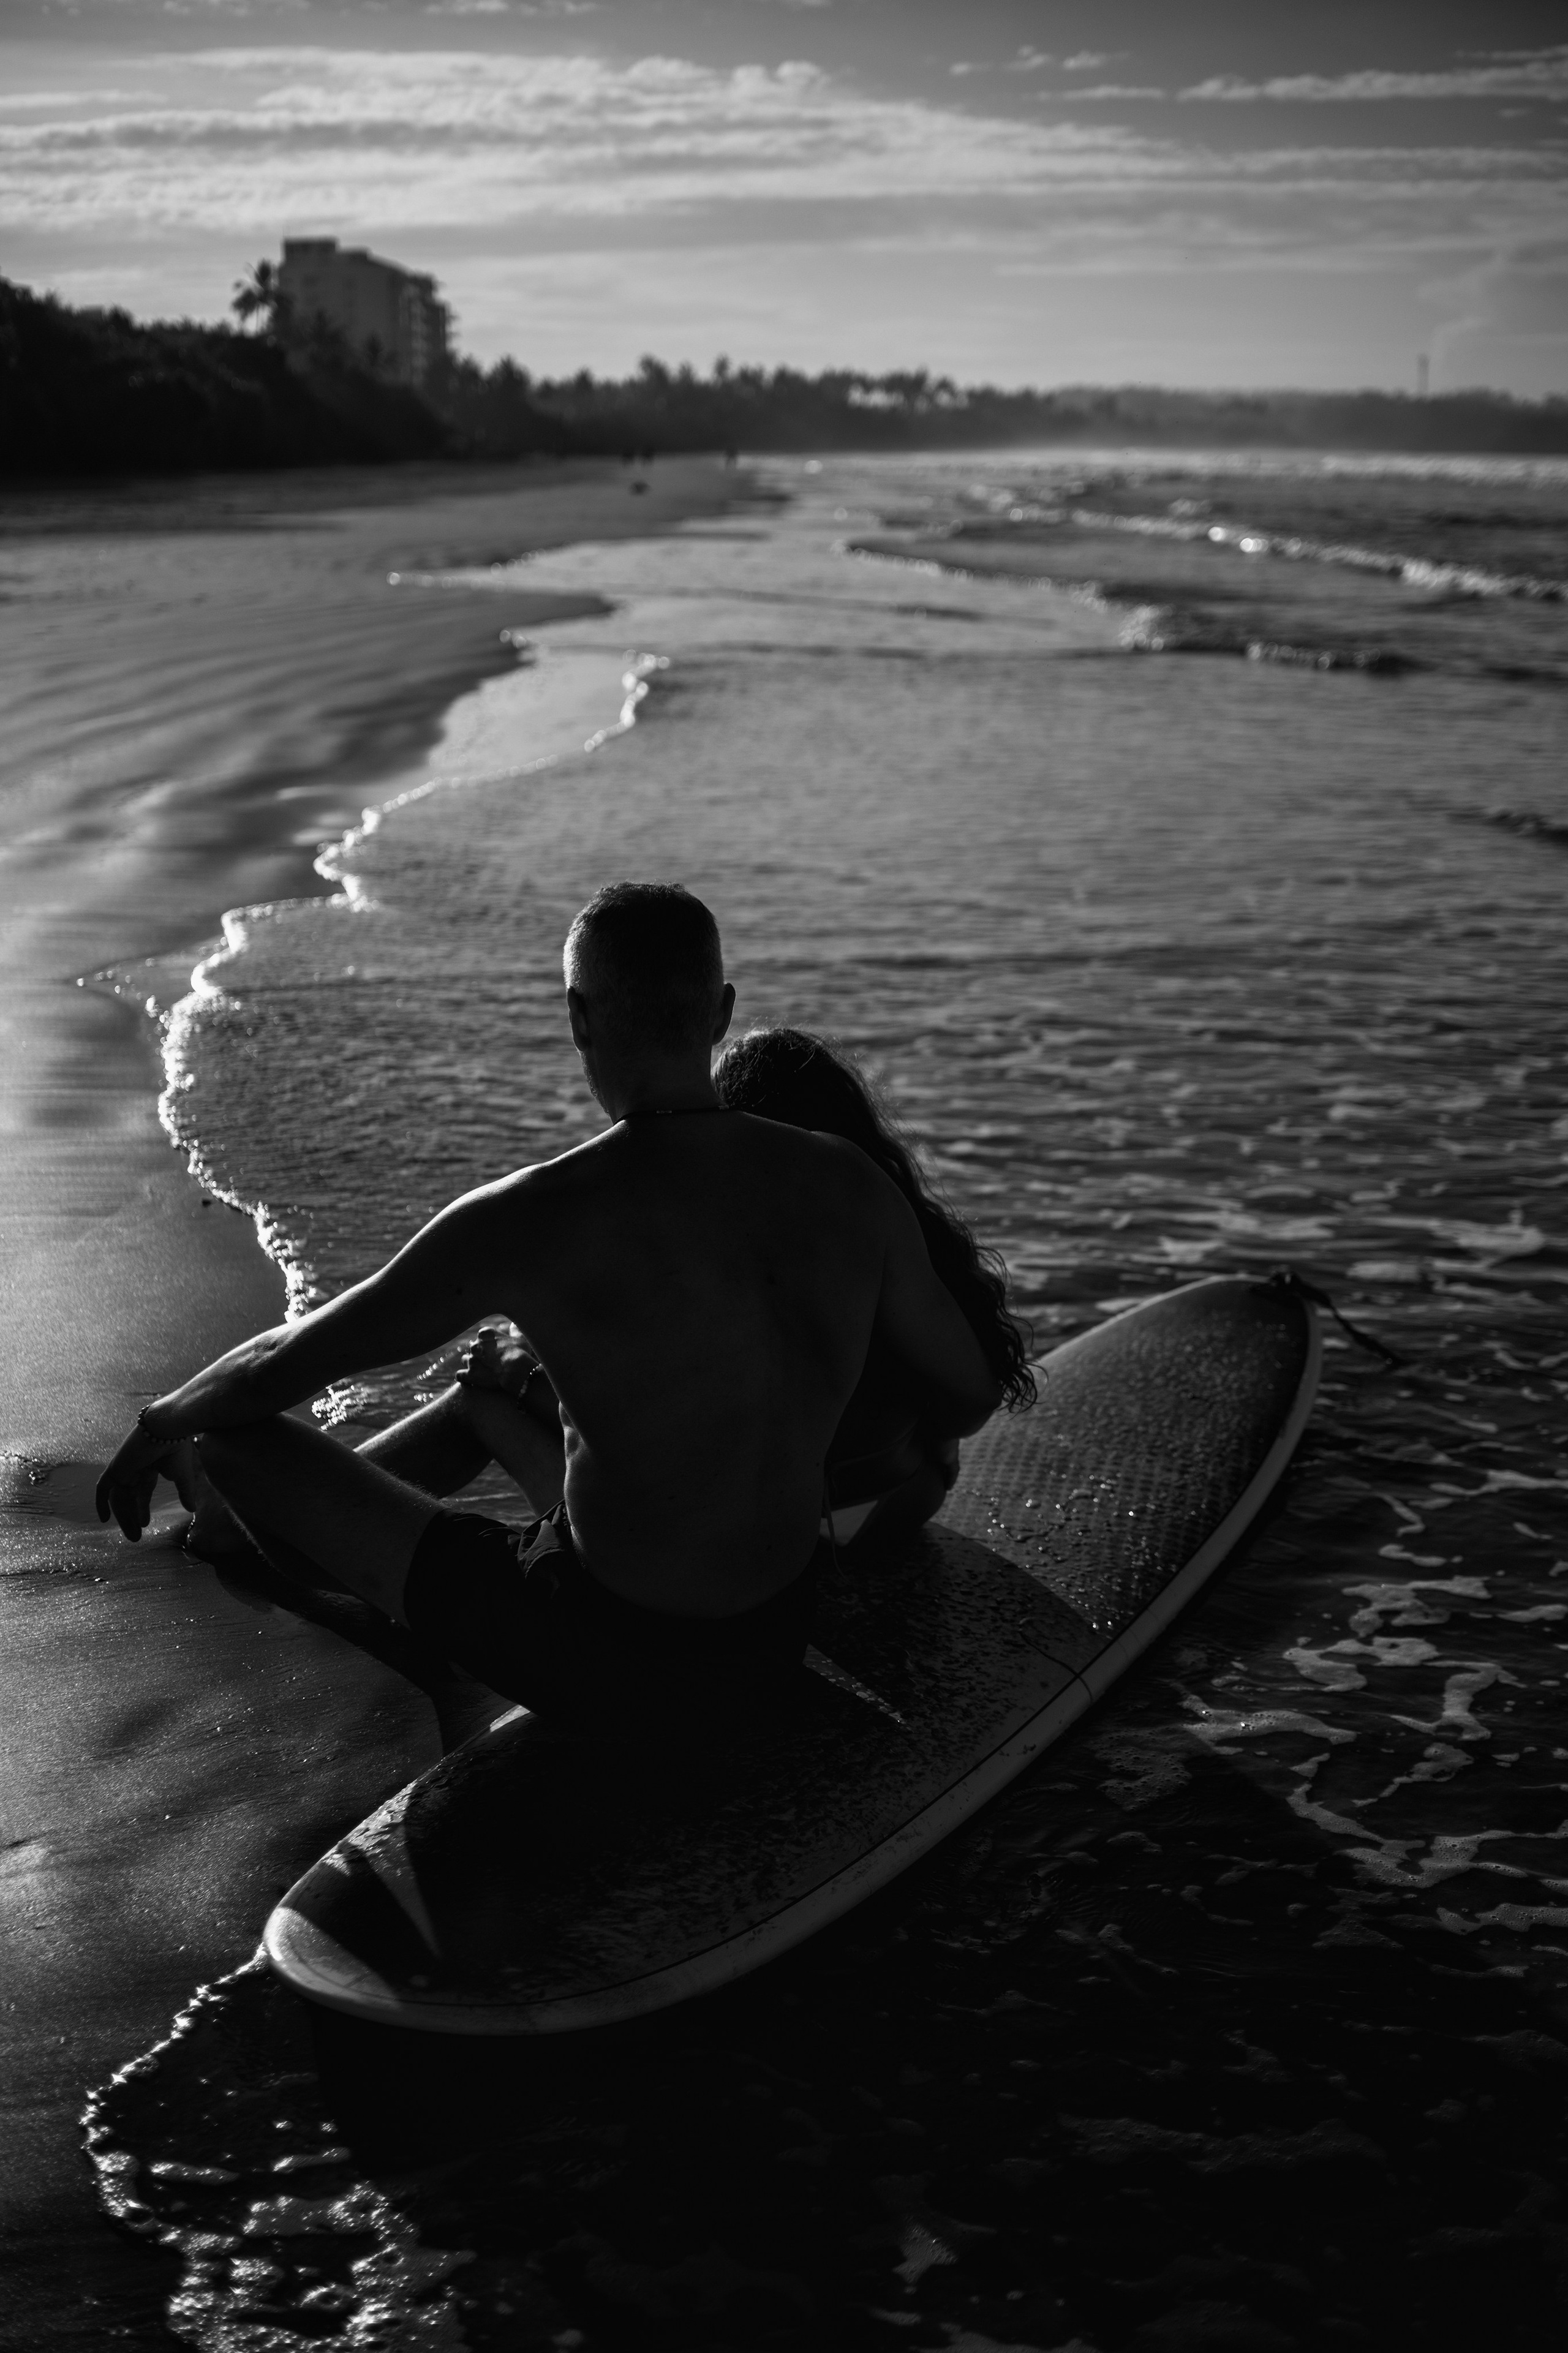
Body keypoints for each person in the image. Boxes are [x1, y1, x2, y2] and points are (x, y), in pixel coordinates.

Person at [96, 883, 1001, 1733]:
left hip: (598, 1654)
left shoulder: (533, 1214)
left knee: (232, 1436)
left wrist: (160, 1420)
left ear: (577, 1017)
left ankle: (414, 1645)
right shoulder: (849, 1186)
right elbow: (968, 1391)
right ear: (720, 1013)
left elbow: (282, 1362)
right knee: (519, 1430)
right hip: (774, 1635)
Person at [713, 1026, 1035, 1551]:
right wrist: (935, 1432)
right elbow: (974, 1398)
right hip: (867, 1517)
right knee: (928, 1439)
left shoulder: (696, 1245)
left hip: (732, 1537)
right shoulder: (884, 1225)